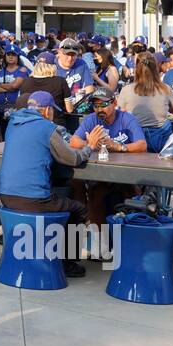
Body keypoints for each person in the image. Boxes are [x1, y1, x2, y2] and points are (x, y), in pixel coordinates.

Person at [0, 91, 90, 277]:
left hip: (5, 196)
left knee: (56, 198)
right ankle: (68, 262)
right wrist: (90, 147)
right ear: (47, 111)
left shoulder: (12, 124)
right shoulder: (48, 128)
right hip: (33, 199)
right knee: (78, 209)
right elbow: (72, 158)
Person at [68, 87, 147, 245]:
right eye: (96, 106)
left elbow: (142, 144)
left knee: (132, 193)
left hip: (126, 174)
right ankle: (99, 241)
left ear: (115, 103)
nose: (99, 109)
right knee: (93, 191)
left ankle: (130, 240)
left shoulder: (126, 118)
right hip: (100, 173)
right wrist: (89, 144)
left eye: (103, 105)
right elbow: (73, 141)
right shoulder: (92, 119)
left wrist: (118, 147)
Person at [116, 52, 173, 134]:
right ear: (155, 68)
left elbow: (119, 114)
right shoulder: (165, 89)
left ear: (137, 69)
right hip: (161, 138)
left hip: (136, 137)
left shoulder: (126, 90)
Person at [17, 52, 73, 118]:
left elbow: (22, 104)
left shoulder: (26, 81)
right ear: (53, 66)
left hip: (31, 121)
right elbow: (69, 109)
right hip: (55, 123)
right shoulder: (60, 81)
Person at [55, 38, 95, 104]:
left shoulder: (81, 64)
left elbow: (89, 88)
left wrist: (86, 103)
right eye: (67, 54)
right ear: (59, 52)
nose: (70, 58)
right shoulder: (52, 65)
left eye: (73, 55)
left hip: (77, 104)